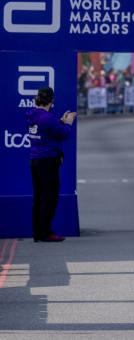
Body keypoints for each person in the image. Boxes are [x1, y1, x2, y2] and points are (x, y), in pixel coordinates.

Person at [27, 87, 76, 242]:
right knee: (50, 197)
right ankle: (46, 232)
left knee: (38, 197)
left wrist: (59, 121)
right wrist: (68, 123)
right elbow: (64, 134)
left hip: (35, 160)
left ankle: (37, 232)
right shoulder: (48, 118)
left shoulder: (32, 115)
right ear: (51, 101)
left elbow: (48, 129)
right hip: (48, 161)